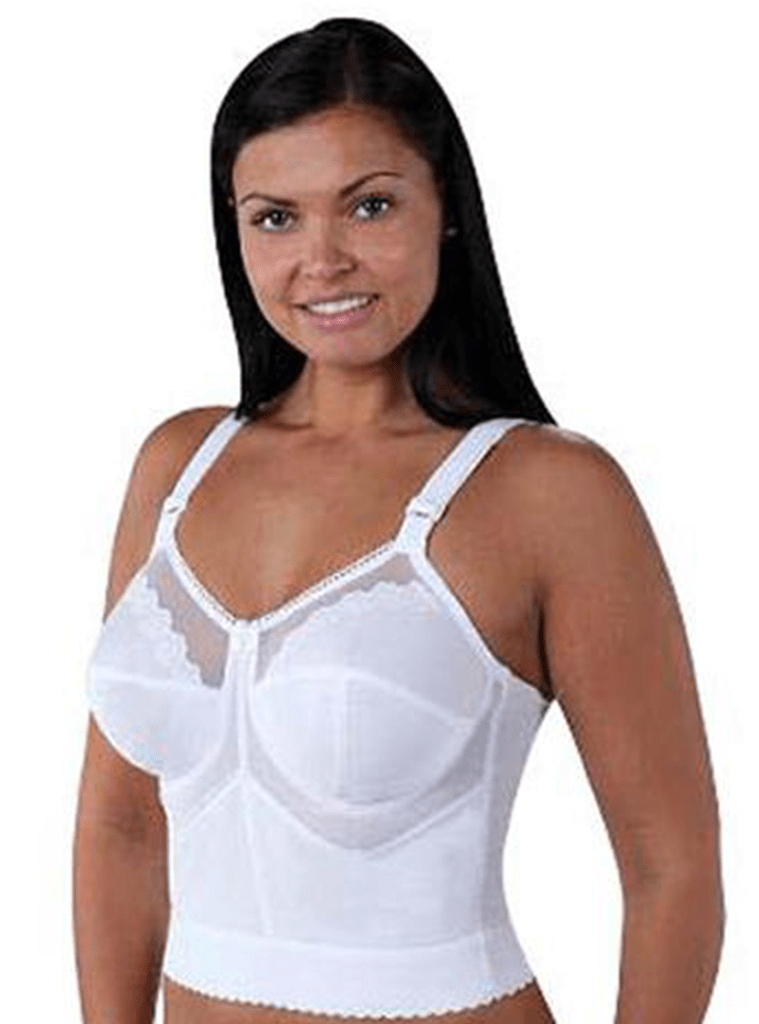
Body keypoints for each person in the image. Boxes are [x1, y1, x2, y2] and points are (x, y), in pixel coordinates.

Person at [72, 16, 724, 1024]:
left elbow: (669, 866)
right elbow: (121, 829)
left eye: (369, 205)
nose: (321, 259)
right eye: (274, 218)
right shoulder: (178, 465)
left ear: (445, 208)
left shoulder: (548, 492)